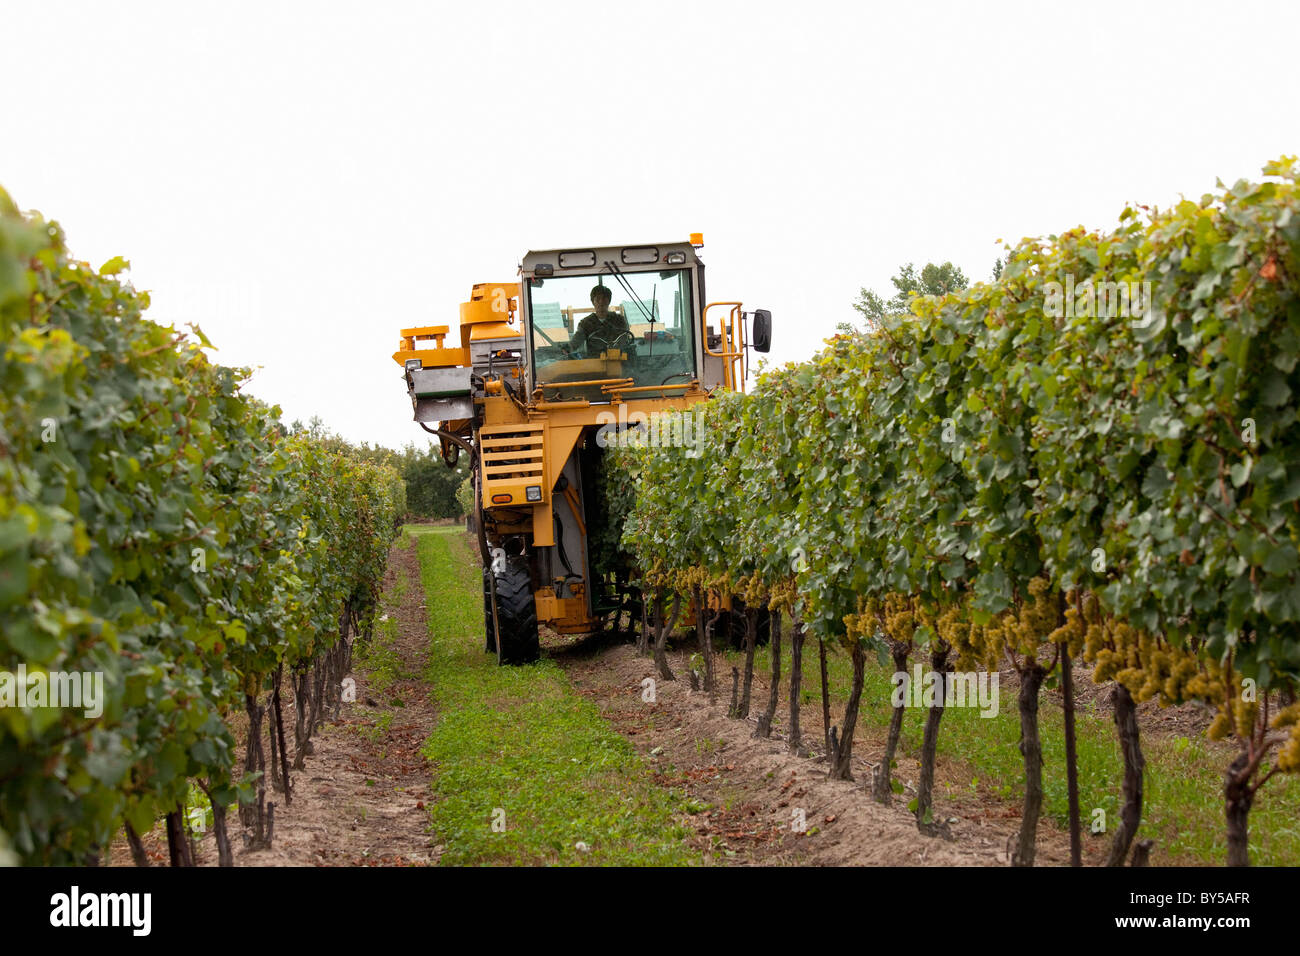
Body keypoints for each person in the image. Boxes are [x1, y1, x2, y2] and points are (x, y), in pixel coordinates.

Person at [569, 284, 632, 357]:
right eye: (598, 299)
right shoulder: (585, 323)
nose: (601, 302)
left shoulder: (619, 320)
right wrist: (566, 349)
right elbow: (575, 342)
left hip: (618, 360)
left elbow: (624, 340)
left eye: (604, 299)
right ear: (593, 302)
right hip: (594, 364)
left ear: (609, 301)